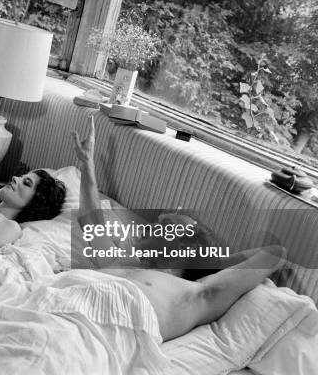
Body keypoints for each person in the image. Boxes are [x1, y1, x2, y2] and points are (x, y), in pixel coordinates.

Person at [71, 114, 286, 341]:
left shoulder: (192, 295)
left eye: (166, 223)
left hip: (89, 337)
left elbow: (274, 253)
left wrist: (210, 261)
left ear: (184, 244)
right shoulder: (121, 261)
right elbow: (91, 222)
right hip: (55, 304)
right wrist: (87, 164)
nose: (160, 218)